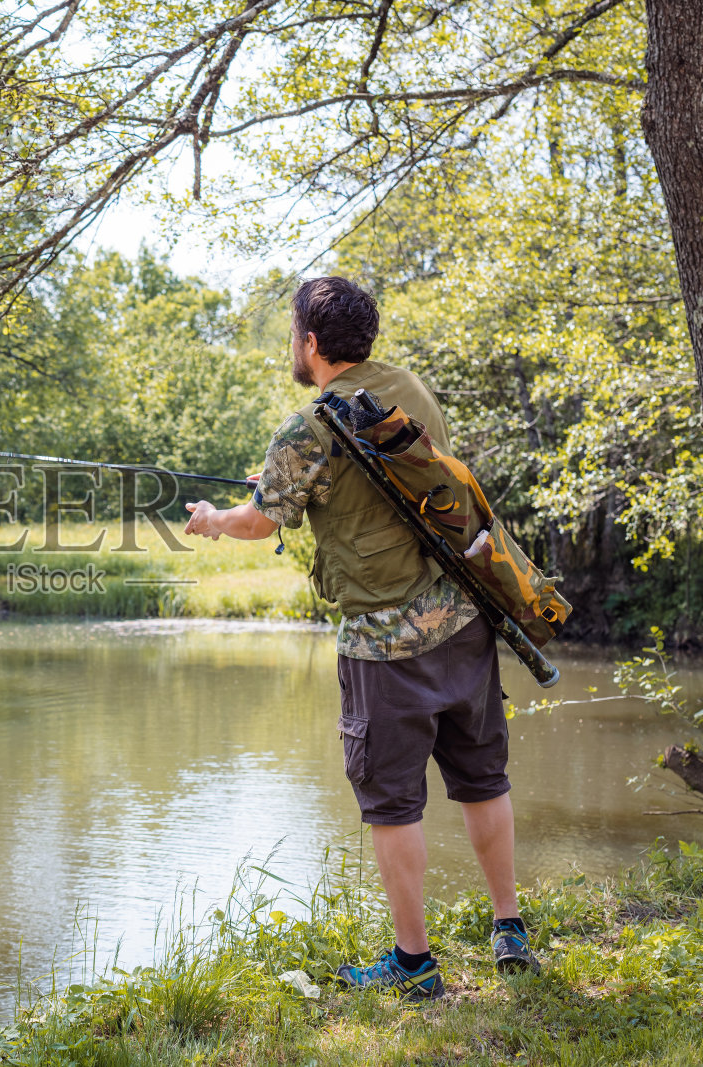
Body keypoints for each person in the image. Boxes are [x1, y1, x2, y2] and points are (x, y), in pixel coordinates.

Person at [181, 275, 539, 1000]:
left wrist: (215, 518)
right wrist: (281, 481)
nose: (293, 346)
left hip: (382, 648)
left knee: (392, 803)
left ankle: (415, 963)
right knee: (483, 778)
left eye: (293, 334)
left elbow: (258, 523)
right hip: (465, 620)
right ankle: (510, 930)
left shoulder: (306, 426)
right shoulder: (411, 386)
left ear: (310, 343)